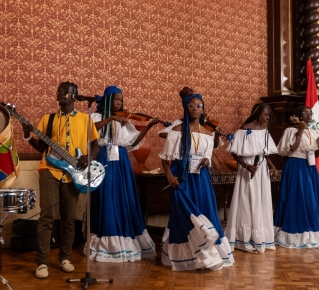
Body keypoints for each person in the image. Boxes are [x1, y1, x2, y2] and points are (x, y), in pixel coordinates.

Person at [22, 81, 100, 279]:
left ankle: (65, 257)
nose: (60, 93)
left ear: (75, 96)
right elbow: (42, 149)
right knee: (47, 215)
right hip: (49, 170)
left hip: (73, 174)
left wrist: (87, 158)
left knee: (69, 219)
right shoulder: (47, 120)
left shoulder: (85, 119)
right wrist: (27, 135)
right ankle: (41, 262)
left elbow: (96, 146)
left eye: (65, 91)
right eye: (58, 91)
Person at [159, 92, 234, 271]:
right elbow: (164, 159)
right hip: (181, 178)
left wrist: (207, 161)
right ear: (186, 108)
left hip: (201, 178)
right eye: (191, 105)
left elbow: (207, 158)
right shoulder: (176, 131)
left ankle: (207, 254)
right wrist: (169, 175)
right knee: (183, 214)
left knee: (205, 211)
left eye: (199, 106)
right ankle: (187, 258)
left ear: (203, 110)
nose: (195, 108)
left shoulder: (208, 133)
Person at [87, 85, 157, 262]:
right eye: (117, 99)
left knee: (122, 196)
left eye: (121, 100)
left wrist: (148, 128)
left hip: (121, 160)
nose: (120, 102)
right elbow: (91, 130)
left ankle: (125, 237)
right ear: (109, 100)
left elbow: (133, 141)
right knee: (105, 196)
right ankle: (107, 238)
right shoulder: (97, 116)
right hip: (103, 158)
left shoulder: (125, 120)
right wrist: (111, 118)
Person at [273, 106, 319, 248]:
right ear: (297, 115)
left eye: (310, 113)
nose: (309, 115)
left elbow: (315, 154)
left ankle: (313, 228)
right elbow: (292, 148)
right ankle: (294, 231)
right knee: (296, 197)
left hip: (309, 167)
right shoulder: (290, 130)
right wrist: (300, 130)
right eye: (305, 113)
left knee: (311, 197)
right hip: (295, 166)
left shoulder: (313, 132)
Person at [224, 103, 278, 253]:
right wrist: (246, 166)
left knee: (261, 201)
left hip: (261, 169)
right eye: (266, 115)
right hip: (248, 167)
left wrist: (272, 166)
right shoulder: (244, 129)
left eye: (269, 115)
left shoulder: (264, 131)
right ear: (258, 113)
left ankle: (261, 237)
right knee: (248, 200)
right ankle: (244, 238)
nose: (267, 118)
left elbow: (264, 153)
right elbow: (235, 153)